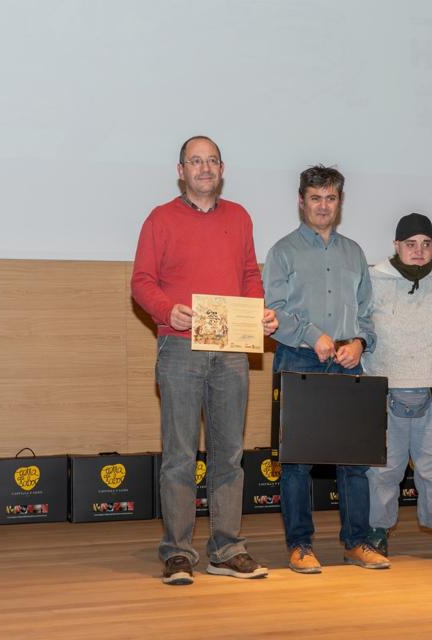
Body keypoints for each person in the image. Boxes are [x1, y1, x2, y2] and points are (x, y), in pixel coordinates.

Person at [131, 135, 279, 585]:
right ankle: (178, 552)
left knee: (229, 454)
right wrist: (165, 310)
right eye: (195, 161)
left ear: (221, 168)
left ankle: (226, 548)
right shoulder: (159, 219)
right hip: (179, 346)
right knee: (179, 454)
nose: (204, 168)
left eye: (211, 160)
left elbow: (251, 274)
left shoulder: (239, 217)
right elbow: (141, 281)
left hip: (232, 349)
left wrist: (258, 311)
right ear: (181, 170)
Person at [262, 164, 389, 573]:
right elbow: (273, 312)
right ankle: (300, 545)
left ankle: (357, 542)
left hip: (348, 364)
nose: (323, 206)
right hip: (298, 360)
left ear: (339, 202)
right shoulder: (282, 251)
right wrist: (312, 334)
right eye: (315, 198)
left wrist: (359, 342)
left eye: (330, 198)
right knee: (296, 462)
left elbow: (368, 313)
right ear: (301, 202)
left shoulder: (354, 253)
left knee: (354, 460)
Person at [362, 213, 432, 564]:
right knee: (383, 469)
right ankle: (376, 533)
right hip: (382, 392)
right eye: (411, 244)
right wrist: (367, 371)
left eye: (426, 244)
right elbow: (357, 326)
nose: (419, 251)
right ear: (396, 246)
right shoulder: (372, 279)